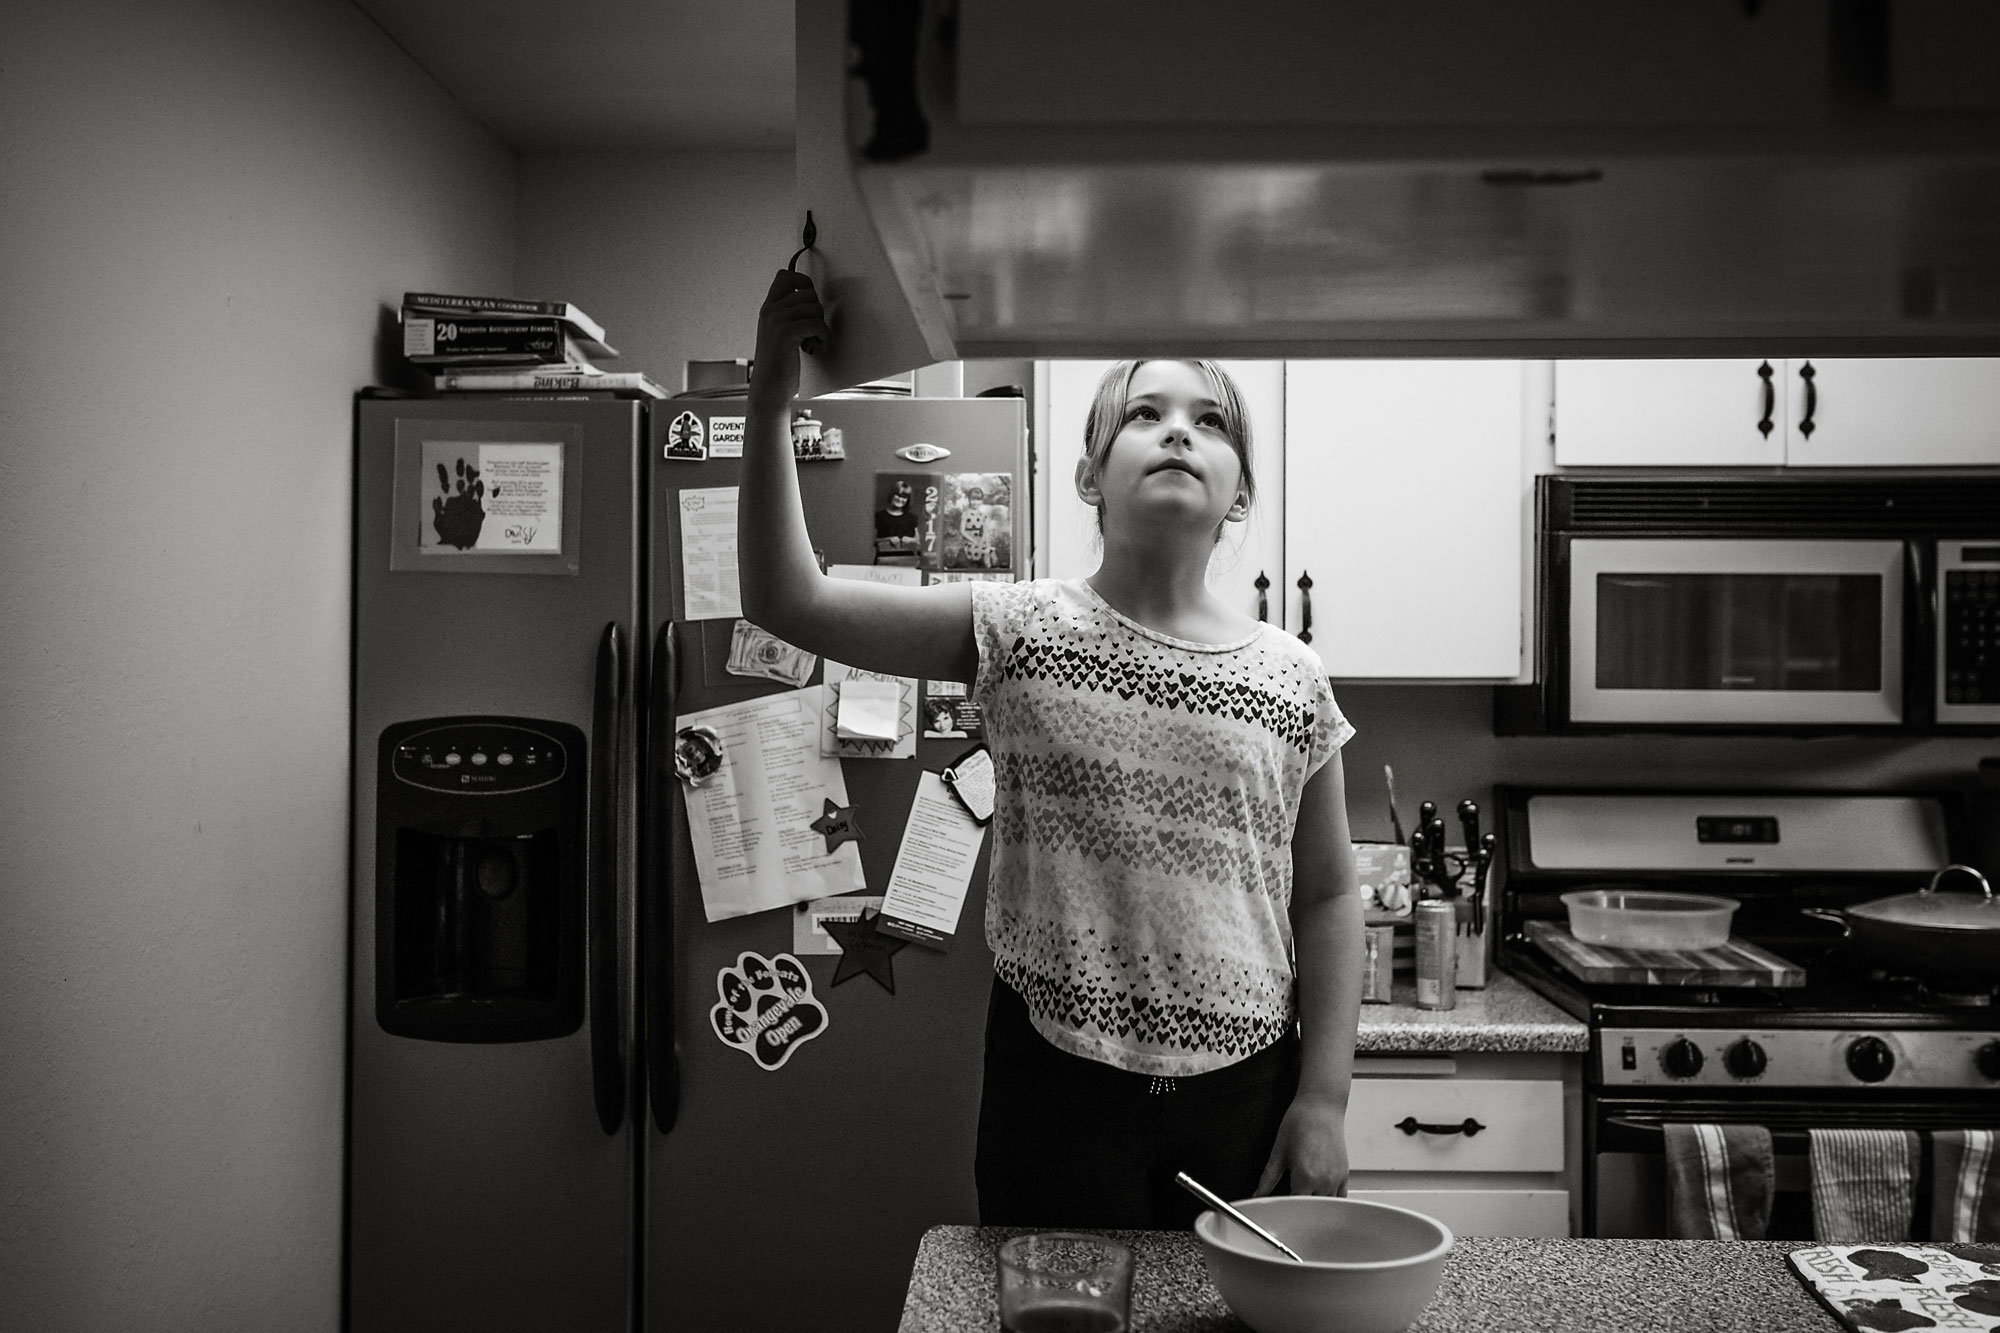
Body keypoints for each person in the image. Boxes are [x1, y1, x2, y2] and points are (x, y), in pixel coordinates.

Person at [741, 269, 1363, 1229]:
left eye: (1211, 421)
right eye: (1145, 413)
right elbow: (792, 601)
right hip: (1056, 1088)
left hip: (1247, 1092)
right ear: (1088, 475)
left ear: (1240, 494)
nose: (1179, 430)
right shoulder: (1020, 626)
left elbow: (1326, 896)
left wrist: (1324, 1099)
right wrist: (770, 391)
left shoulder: (1294, 676)